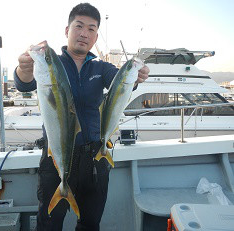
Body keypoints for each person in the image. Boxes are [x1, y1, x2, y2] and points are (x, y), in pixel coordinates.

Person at [14, 3, 150, 230]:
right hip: (55, 156)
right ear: (67, 30)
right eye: (79, 26)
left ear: (96, 36)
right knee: (48, 225)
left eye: (91, 29)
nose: (84, 33)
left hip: (94, 157)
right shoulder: (51, 64)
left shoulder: (101, 69)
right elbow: (24, 83)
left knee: (90, 224)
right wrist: (24, 69)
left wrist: (135, 76)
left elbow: (120, 83)